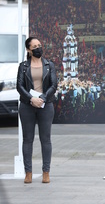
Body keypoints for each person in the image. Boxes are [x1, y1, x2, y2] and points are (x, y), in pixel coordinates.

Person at [16, 37, 57, 184]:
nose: (38, 48)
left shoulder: (49, 64)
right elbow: (19, 86)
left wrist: (43, 98)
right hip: (27, 106)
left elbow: (54, 85)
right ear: (28, 50)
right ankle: (28, 173)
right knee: (28, 140)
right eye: (35, 46)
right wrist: (31, 99)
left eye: (39, 45)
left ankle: (46, 172)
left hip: (45, 105)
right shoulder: (23, 66)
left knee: (45, 139)